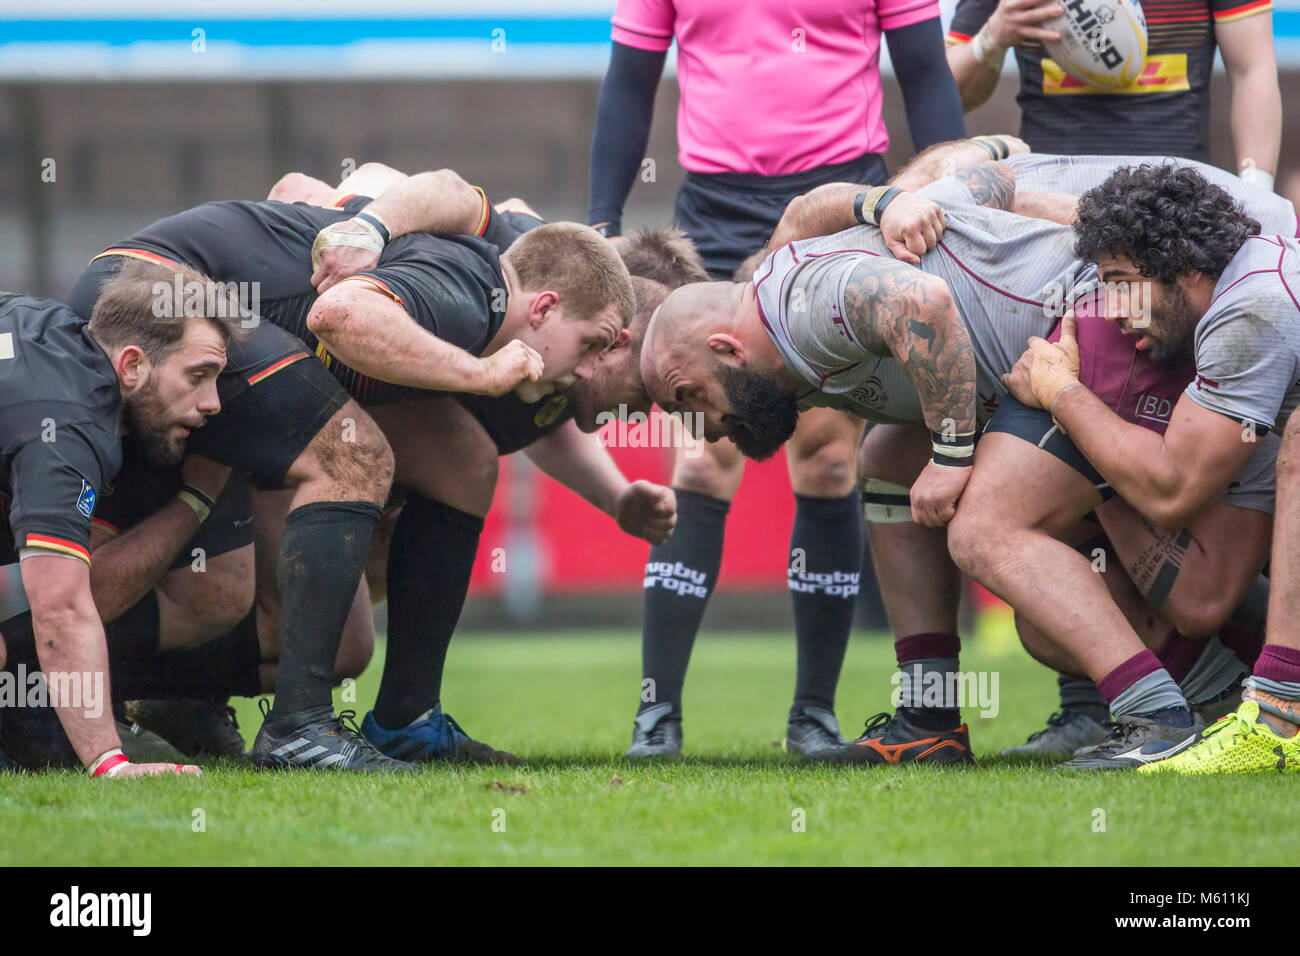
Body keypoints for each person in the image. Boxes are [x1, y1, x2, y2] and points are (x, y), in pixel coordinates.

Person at [588, 0, 968, 759]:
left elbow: (925, 70)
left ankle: (813, 714)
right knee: (702, 453)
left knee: (828, 458)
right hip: (716, 209)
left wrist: (944, 192)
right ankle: (656, 715)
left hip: (843, 201)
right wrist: (601, 224)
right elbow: (630, 80)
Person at [970, 163, 1297, 769]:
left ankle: (1279, 717)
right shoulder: (1237, 267)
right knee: (1048, 619)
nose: (1112, 309)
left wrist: (1063, 393)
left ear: (1186, 266)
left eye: (1122, 282)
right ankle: (1235, 699)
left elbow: (1172, 500)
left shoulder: (1250, 307)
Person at [0, 264, 242, 778]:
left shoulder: (45, 326)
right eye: (198, 376)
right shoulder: (65, 428)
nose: (213, 403)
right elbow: (60, 607)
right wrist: (109, 763)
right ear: (131, 365)